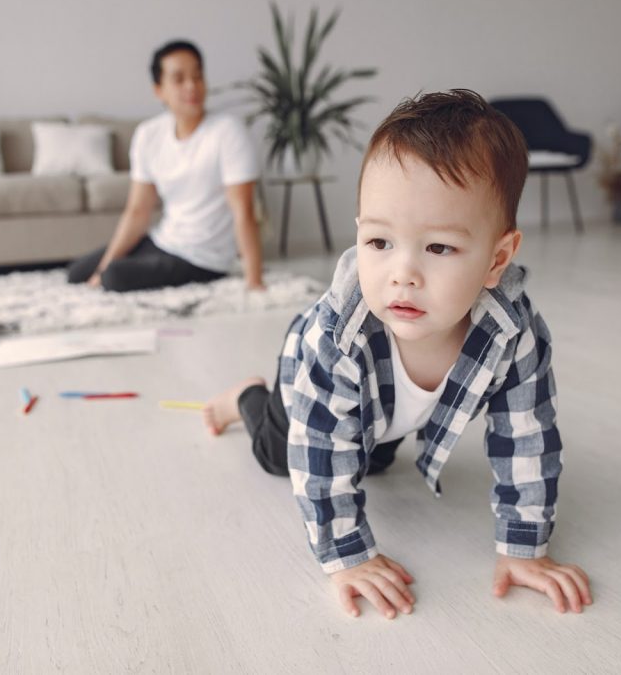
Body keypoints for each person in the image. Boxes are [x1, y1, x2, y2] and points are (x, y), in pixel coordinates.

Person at [203, 90, 592, 619]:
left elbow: (527, 437)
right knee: (280, 456)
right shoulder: (340, 334)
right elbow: (319, 455)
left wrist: (525, 547)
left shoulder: (513, 333)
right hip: (308, 391)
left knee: (376, 460)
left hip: (384, 415)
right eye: (379, 242)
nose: (401, 273)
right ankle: (245, 397)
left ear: (497, 259)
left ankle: (370, 436)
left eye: (438, 248)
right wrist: (347, 558)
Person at [68, 40, 264, 292]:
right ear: (159, 90)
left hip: (203, 258)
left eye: (197, 76)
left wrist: (254, 280)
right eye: (179, 79)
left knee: (113, 277)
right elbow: (138, 211)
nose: (192, 86)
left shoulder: (228, 132)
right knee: (78, 272)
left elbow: (243, 211)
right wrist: (102, 266)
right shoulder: (149, 134)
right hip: (164, 241)